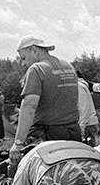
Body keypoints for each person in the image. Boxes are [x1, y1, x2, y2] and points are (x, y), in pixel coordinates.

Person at [9, 35, 81, 167]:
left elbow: (29, 106)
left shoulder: (36, 70)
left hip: (48, 137)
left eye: (23, 58)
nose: (23, 63)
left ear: (34, 50)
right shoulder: (68, 66)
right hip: (73, 133)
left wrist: (18, 142)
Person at [77, 74, 99, 147]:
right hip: (88, 122)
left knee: (89, 150)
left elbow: (84, 108)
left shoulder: (78, 87)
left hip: (88, 124)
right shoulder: (80, 86)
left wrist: (82, 126)